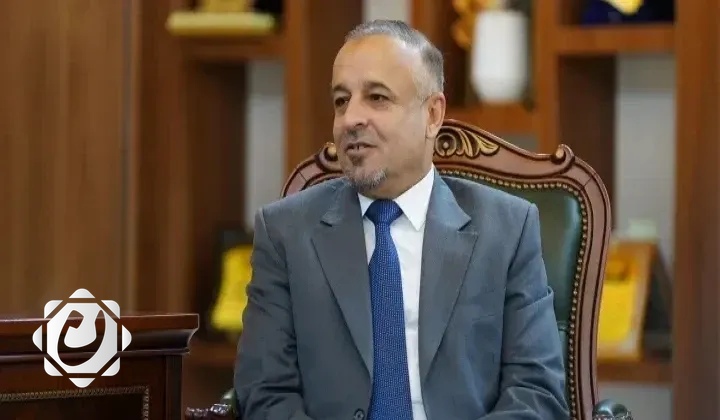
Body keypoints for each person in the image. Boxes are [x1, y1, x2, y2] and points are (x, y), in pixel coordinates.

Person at [234, 19, 569, 420]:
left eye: (377, 98)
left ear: (433, 115)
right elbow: (265, 393)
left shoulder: (508, 229)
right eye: (341, 101)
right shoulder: (285, 234)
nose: (350, 119)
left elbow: (537, 393)